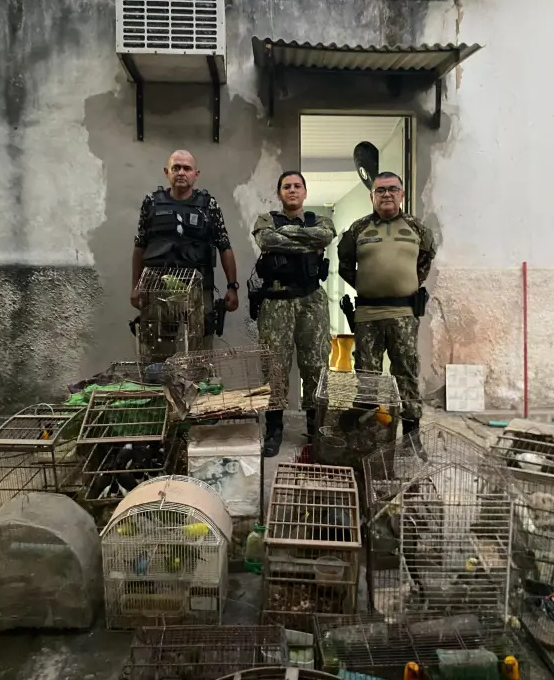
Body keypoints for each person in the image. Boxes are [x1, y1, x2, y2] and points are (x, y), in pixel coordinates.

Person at [337, 171, 436, 450]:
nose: (387, 194)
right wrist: (369, 286)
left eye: (393, 189)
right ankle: (368, 436)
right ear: (372, 196)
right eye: (380, 190)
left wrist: (405, 284)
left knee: (405, 371)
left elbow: (426, 260)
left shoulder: (417, 229)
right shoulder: (358, 229)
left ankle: (412, 438)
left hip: (404, 314)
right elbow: (345, 264)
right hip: (368, 315)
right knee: (367, 376)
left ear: (402, 194)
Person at [252, 171, 336, 457]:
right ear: (279, 193)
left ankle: (315, 429)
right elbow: (267, 241)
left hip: (311, 301)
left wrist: (288, 235)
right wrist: (306, 242)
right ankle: (274, 429)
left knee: (315, 365)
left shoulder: (320, 221)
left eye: (297, 186)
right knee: (274, 366)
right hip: (276, 301)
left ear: (305, 192)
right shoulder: (266, 220)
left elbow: (325, 237)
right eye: (286, 186)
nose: (292, 190)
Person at [131, 150, 239, 348]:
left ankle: (198, 379)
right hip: (158, 287)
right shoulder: (152, 203)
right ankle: (158, 379)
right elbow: (140, 244)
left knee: (200, 351)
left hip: (198, 288)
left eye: (187, 168)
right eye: (176, 168)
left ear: (196, 174)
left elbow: (224, 246)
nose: (181, 172)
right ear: (167, 172)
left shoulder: (209, 206)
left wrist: (232, 287)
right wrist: (136, 285)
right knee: (157, 349)